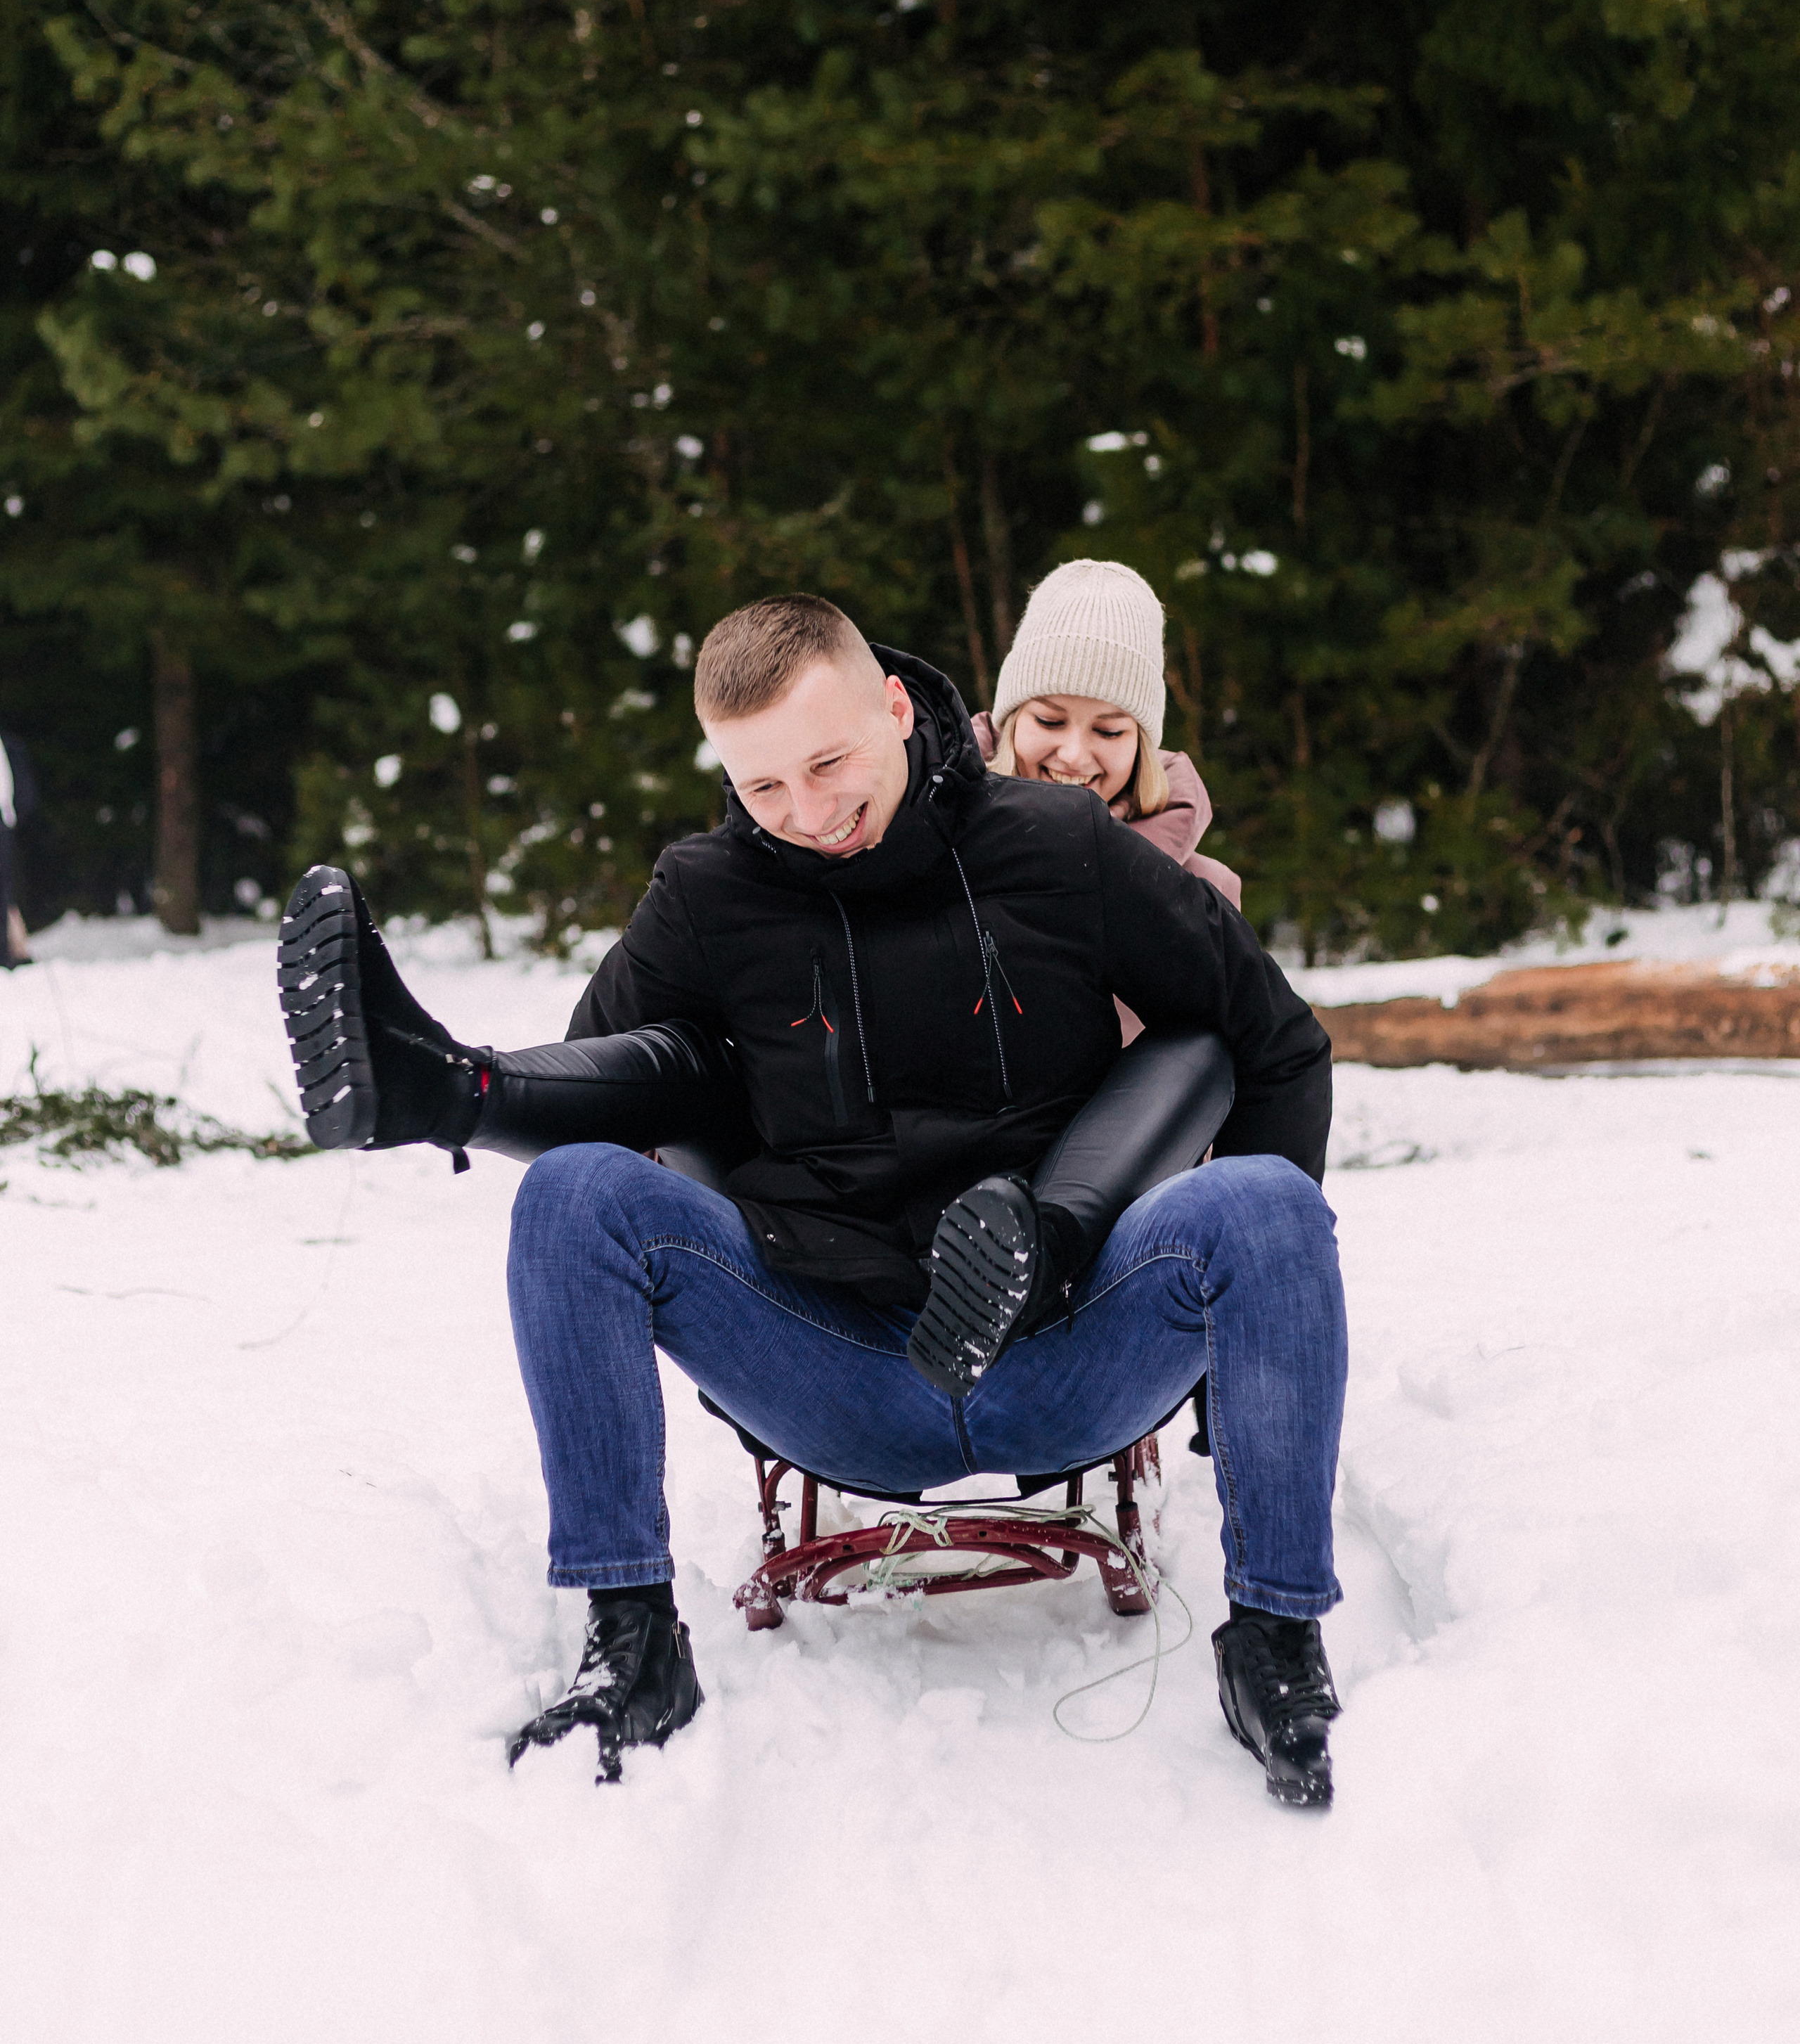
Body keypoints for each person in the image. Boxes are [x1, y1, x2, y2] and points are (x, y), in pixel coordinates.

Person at [281, 597, 1346, 1806]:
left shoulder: (1057, 847)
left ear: (898, 708)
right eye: (763, 786)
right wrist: (483, 1097)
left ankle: (1274, 1642)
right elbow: (610, 1099)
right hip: (836, 1362)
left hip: (1066, 1337)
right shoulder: (708, 892)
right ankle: (631, 1645)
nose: (807, 814)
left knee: (1264, 1204)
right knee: (577, 1191)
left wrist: (1230, 1371)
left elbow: (1278, 1045)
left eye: (830, 763)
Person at [974, 555, 1242, 924]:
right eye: (1050, 721)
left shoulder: (1205, 897)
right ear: (1013, 723)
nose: (1073, 755)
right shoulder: (934, 856)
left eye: (1108, 731)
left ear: (1140, 745)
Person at [0, 726, 37, 969]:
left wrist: (13, 817)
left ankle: (7, 949)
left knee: (4, 890)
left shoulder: (9, 744)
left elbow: (23, 789)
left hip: (3, 824)